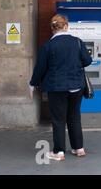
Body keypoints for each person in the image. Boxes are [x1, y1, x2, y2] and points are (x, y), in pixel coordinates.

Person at [30, 14, 92, 161]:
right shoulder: (77, 42)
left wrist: (33, 83)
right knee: (74, 117)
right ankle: (79, 148)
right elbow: (88, 61)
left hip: (57, 87)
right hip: (77, 86)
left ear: (52, 29)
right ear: (66, 26)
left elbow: (40, 68)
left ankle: (59, 152)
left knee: (58, 119)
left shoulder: (47, 46)